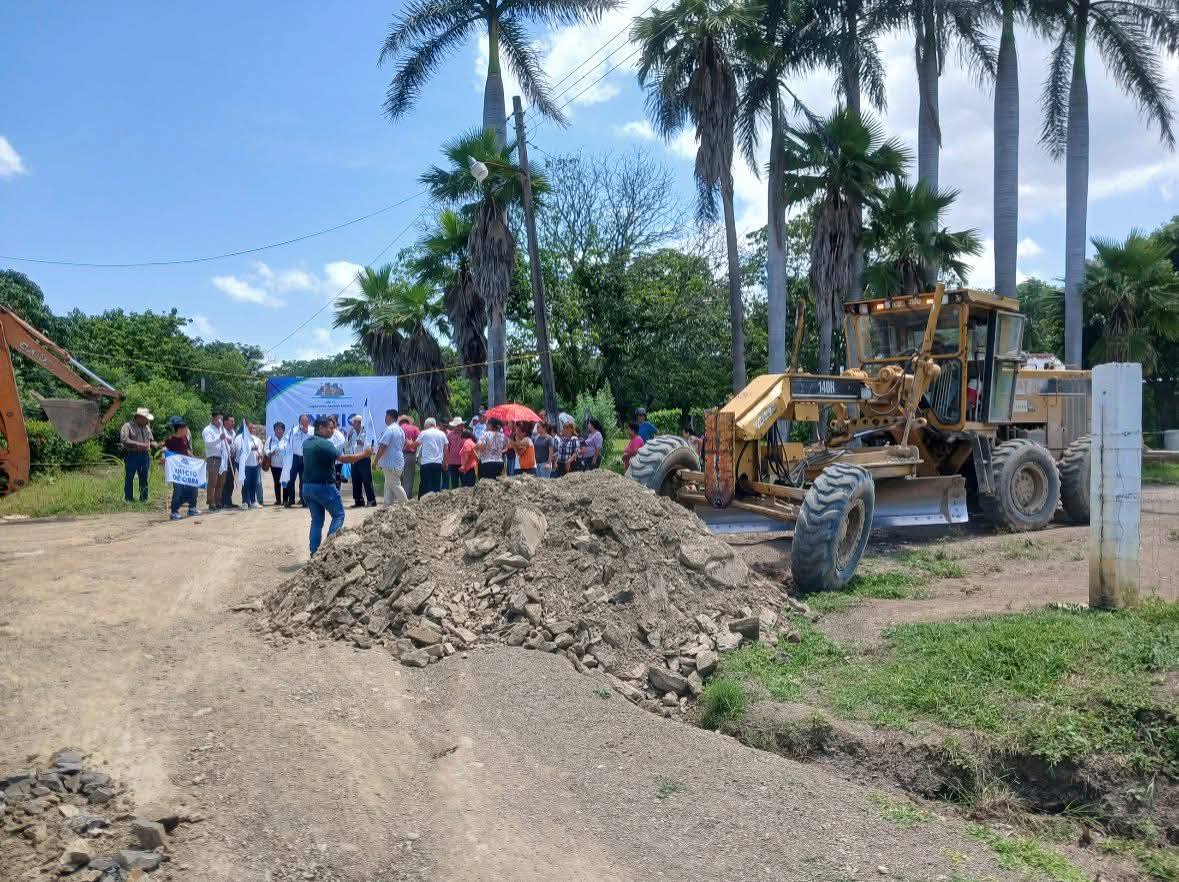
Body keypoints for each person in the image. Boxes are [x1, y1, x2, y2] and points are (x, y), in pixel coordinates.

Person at [301, 416, 371, 555]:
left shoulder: (307, 443)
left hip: (307, 488)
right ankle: (328, 551)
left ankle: (314, 553)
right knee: (338, 515)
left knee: (317, 520)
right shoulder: (325, 444)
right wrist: (364, 454)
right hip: (324, 487)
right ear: (320, 428)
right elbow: (343, 459)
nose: (332, 431)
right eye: (330, 428)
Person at [164, 416, 201, 520]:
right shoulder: (170, 440)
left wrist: (196, 460)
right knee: (178, 490)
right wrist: (164, 459)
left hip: (187, 468)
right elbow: (165, 452)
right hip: (177, 470)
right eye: (185, 428)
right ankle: (174, 512)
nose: (187, 430)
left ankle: (192, 508)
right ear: (180, 429)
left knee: (193, 486)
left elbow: (187, 451)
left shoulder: (185, 438)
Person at [119, 407, 157, 503]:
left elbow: (151, 441)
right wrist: (140, 444)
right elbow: (125, 440)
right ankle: (128, 499)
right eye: (146, 418)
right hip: (131, 455)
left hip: (144, 456)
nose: (147, 420)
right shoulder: (127, 426)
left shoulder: (147, 427)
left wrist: (160, 445)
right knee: (129, 477)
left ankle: (144, 499)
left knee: (144, 477)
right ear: (139, 417)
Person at [374, 409, 408, 504]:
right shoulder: (400, 429)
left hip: (391, 463)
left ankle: (406, 504)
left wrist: (375, 461)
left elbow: (383, 446)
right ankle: (387, 506)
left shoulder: (390, 429)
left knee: (395, 485)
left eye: (386, 416)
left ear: (390, 417)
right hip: (396, 461)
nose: (385, 418)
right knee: (388, 485)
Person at [232, 421, 266, 509]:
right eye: (250, 428)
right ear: (246, 429)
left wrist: (260, 459)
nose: (252, 430)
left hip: (255, 465)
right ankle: (245, 502)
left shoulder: (257, 440)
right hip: (243, 465)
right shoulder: (239, 438)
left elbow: (260, 452)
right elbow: (233, 451)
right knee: (245, 483)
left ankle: (253, 501)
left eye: (254, 428)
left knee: (253, 483)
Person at [346, 415, 376, 508]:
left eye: (354, 422)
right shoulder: (352, 432)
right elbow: (348, 445)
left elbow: (372, 447)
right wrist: (349, 436)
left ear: (359, 423)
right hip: (354, 459)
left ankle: (371, 500)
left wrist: (362, 443)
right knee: (355, 480)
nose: (353, 424)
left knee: (366, 480)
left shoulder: (367, 433)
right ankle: (358, 501)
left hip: (364, 458)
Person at [201, 412, 228, 512]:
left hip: (222, 458)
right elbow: (208, 444)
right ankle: (211, 502)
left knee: (221, 482)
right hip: (213, 458)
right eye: (218, 419)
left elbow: (223, 442)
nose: (220, 421)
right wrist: (219, 438)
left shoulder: (220, 429)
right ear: (213, 419)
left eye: (221, 419)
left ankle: (218, 501)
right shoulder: (207, 430)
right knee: (213, 481)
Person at [416, 417, 448, 497]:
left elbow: (414, 445)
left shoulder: (424, 433)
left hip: (426, 463)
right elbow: (446, 448)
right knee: (436, 485)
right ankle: (434, 503)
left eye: (425, 426)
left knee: (425, 485)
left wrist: (409, 443)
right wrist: (445, 461)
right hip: (437, 463)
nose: (425, 427)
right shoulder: (442, 434)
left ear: (429, 425)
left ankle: (424, 502)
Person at [287, 414, 313, 507]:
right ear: (299, 422)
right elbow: (287, 442)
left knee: (304, 480)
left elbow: (313, 440)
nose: (305, 423)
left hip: (306, 457)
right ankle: (291, 499)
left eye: (306, 422)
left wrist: (305, 432)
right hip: (294, 457)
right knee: (291, 479)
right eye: (303, 422)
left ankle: (304, 500)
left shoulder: (312, 430)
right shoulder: (293, 430)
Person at [266, 422, 291, 507]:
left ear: (283, 430)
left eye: (280, 429)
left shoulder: (287, 439)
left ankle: (285, 500)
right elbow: (266, 450)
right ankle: (278, 500)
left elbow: (290, 450)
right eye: (276, 429)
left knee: (285, 482)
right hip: (275, 465)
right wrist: (270, 453)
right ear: (274, 430)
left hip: (285, 465)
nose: (278, 431)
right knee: (277, 482)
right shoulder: (270, 439)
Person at [220, 416, 239, 509]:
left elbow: (234, 443)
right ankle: (223, 501)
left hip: (233, 458)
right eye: (231, 421)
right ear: (225, 422)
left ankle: (229, 500)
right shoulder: (221, 431)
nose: (233, 423)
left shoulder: (233, 432)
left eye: (233, 421)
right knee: (225, 480)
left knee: (231, 481)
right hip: (225, 459)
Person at [399, 415, 420, 498]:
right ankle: (407, 495)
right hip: (410, 454)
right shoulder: (414, 428)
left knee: (399, 476)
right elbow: (420, 439)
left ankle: (400, 495)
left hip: (399, 454)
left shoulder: (398, 428)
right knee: (409, 476)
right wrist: (413, 445)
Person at [444, 417, 465, 489]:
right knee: (454, 482)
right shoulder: (449, 435)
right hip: (452, 462)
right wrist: (446, 460)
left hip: (463, 462)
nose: (456, 427)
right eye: (455, 426)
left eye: (458, 425)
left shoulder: (466, 434)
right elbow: (447, 448)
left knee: (464, 482)